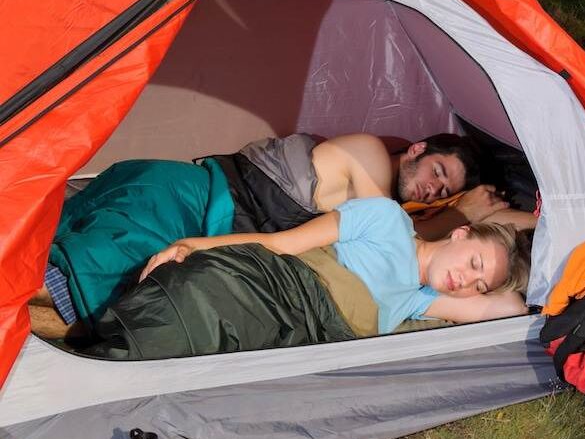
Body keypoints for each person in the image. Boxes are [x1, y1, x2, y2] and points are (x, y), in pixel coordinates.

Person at [29, 132, 527, 337]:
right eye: (438, 169)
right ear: (416, 149)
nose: (434, 184)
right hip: (192, 196)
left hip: (210, 225)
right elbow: (390, 226)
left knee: (96, 281)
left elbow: (415, 248)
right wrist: (459, 213)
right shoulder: (372, 155)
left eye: (443, 188)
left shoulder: (403, 228)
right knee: (93, 267)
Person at [82, 197, 532, 360]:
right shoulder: (386, 218)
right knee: (198, 296)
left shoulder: (421, 298)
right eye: (474, 263)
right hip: (278, 283)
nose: (465, 282)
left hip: (312, 332)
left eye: (479, 284)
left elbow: (509, 307)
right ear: (459, 233)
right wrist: (193, 245)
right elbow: (279, 244)